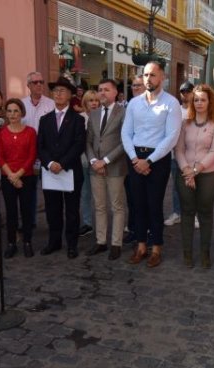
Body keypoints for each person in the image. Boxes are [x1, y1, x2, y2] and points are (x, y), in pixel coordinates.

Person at [121, 61, 182, 268]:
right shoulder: (133, 103)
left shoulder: (171, 103)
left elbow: (171, 137)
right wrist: (134, 159)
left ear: (162, 77)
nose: (148, 79)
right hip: (135, 157)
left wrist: (149, 160)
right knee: (137, 204)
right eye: (146, 75)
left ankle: (156, 247)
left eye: (153, 75)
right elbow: (126, 133)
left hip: (158, 159)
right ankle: (140, 246)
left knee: (154, 205)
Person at [175, 84, 214, 268]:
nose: (199, 103)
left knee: (205, 213)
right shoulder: (184, 123)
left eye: (203, 99)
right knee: (187, 213)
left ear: (210, 101)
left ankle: (205, 253)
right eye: (196, 99)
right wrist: (186, 169)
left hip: (209, 175)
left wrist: (197, 170)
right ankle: (187, 253)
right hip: (185, 173)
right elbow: (179, 149)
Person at [38, 77, 86, 259]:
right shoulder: (45, 120)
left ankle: (72, 244)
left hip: (71, 171)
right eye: (56, 90)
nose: (58, 94)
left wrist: (62, 163)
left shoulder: (78, 119)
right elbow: (40, 146)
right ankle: (54, 241)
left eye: (62, 91)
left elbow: (78, 145)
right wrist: (50, 163)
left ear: (70, 95)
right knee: (52, 209)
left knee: (72, 211)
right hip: (50, 172)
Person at [85, 79, 127, 260]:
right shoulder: (93, 114)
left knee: (117, 207)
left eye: (106, 90)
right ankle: (101, 241)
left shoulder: (124, 112)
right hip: (95, 168)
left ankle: (116, 243)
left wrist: (106, 161)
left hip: (115, 167)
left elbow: (125, 141)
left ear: (115, 92)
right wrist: (95, 160)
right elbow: (88, 141)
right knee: (99, 206)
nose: (102, 93)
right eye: (100, 89)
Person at [0, 99, 37, 258]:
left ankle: (27, 242)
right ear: (6, 113)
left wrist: (18, 174)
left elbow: (32, 155)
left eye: (15, 111)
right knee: (11, 212)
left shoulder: (30, 132)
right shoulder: (1, 132)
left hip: (26, 177)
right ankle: (11, 243)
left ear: (22, 113)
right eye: (9, 111)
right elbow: (0, 157)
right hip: (8, 178)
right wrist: (11, 176)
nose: (12, 114)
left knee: (27, 211)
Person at [21, 72, 55, 230]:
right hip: (27, 155)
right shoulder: (21, 105)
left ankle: (52, 222)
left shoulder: (51, 104)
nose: (39, 85)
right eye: (35, 82)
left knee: (49, 190)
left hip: (46, 154)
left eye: (41, 81)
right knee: (29, 190)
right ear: (28, 85)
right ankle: (30, 221)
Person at [164, 81, 193, 228]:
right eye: (183, 91)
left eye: (188, 91)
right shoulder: (175, 110)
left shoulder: (197, 110)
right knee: (176, 186)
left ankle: (193, 215)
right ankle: (177, 213)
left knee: (193, 186)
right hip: (176, 154)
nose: (185, 94)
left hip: (193, 156)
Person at [123, 75, 146, 244]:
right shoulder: (128, 106)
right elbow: (125, 134)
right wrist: (133, 158)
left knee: (148, 200)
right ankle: (133, 230)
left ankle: (147, 231)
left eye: (139, 85)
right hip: (130, 160)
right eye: (133, 86)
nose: (135, 88)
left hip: (148, 160)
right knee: (132, 199)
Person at [78, 89, 100, 237]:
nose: (94, 103)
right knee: (85, 193)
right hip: (84, 162)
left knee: (102, 196)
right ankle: (87, 223)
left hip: (101, 162)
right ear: (85, 103)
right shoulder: (80, 118)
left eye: (96, 100)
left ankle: (103, 225)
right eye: (91, 100)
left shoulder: (103, 116)